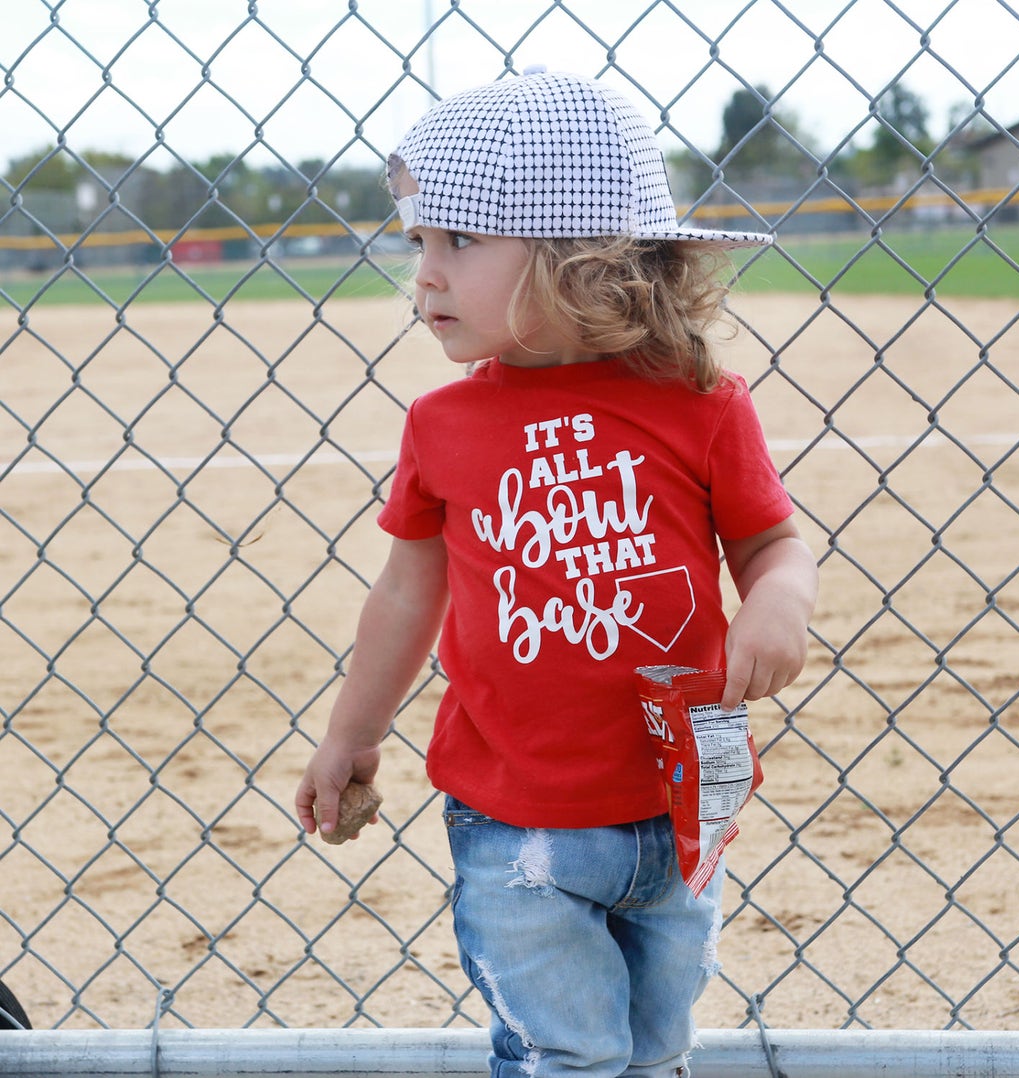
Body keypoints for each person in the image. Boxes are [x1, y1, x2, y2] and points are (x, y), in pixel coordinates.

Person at [295, 68, 818, 1077]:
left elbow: (772, 542)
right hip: (515, 817)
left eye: (461, 241)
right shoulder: (442, 424)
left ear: (584, 261)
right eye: (420, 243)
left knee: (657, 1047)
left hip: (677, 808)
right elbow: (407, 592)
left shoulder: (700, 402)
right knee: (568, 1055)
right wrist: (351, 734)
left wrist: (779, 599)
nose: (426, 275)